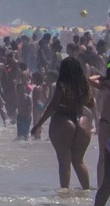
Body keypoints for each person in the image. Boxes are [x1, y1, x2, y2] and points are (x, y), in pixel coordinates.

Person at [31, 56, 93, 190]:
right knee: (79, 161)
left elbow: (53, 105)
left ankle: (64, 196)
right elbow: (91, 103)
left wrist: (38, 124)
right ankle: (87, 193)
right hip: (82, 121)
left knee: (64, 162)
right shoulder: (84, 84)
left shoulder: (62, 84)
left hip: (63, 121)